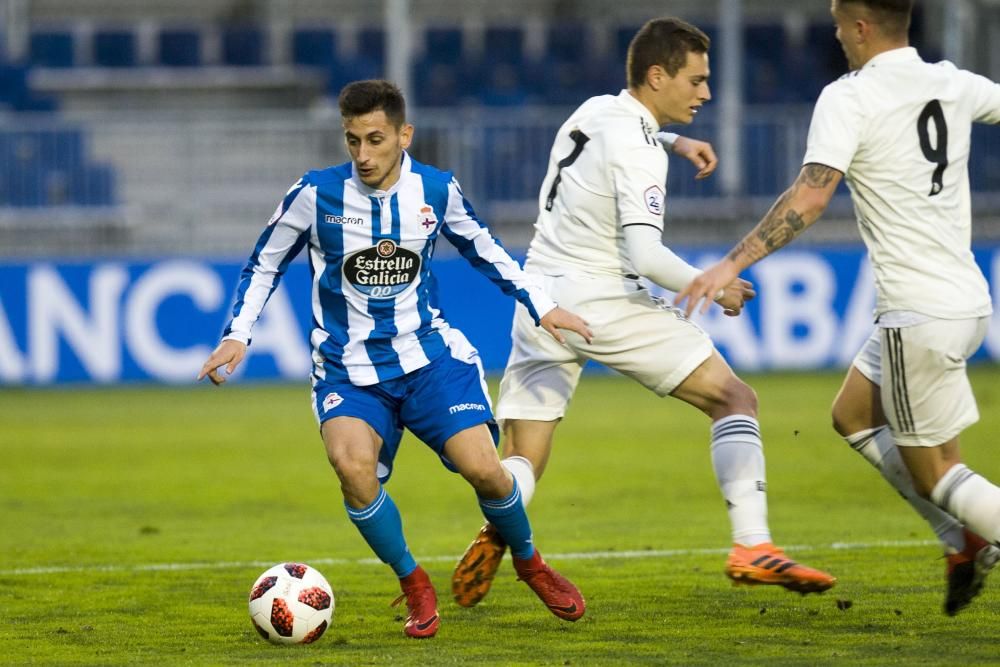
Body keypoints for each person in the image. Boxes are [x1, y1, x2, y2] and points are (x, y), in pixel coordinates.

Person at [451, 17, 837, 610]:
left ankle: (500, 526)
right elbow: (645, 254)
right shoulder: (636, 147)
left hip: (541, 297)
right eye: (697, 80)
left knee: (524, 452)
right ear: (658, 76)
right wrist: (717, 281)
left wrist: (673, 139)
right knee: (734, 400)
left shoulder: (596, 110)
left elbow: (626, 137)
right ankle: (753, 544)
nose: (706, 93)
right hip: (603, 298)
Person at [198, 79, 596, 638]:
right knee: (351, 467)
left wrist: (543, 305)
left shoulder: (436, 190)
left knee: (485, 468)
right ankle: (414, 582)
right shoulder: (314, 196)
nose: (363, 154)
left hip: (429, 359)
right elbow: (263, 264)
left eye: (376, 139)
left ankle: (530, 562)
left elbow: (485, 248)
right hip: (348, 370)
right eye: (352, 140)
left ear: (404, 135)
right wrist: (238, 333)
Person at [676, 0, 1000, 616]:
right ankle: (960, 541)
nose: (835, 36)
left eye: (835, 24)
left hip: (918, 309)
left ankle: (970, 533)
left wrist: (731, 264)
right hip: (963, 297)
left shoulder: (849, 97)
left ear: (859, 27)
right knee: (852, 413)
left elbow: (811, 194)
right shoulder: (952, 82)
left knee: (941, 475)